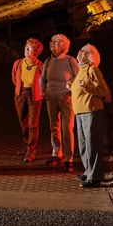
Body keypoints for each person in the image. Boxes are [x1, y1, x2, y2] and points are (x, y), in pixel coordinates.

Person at [71, 44, 111, 188]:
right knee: (83, 145)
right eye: (80, 50)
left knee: (92, 144)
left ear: (89, 55)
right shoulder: (80, 70)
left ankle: (95, 177)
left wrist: (87, 88)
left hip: (91, 111)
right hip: (80, 112)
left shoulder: (92, 69)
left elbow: (103, 91)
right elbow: (81, 87)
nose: (79, 52)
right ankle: (88, 171)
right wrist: (72, 86)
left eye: (83, 51)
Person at [39, 33, 79, 172]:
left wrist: (70, 91)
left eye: (55, 42)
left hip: (66, 98)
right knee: (54, 127)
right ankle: (57, 153)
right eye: (51, 42)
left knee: (67, 129)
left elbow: (78, 79)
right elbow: (42, 79)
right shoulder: (48, 61)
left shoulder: (70, 61)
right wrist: (43, 91)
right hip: (51, 98)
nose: (52, 44)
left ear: (63, 45)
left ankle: (69, 159)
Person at [10, 38, 44, 163]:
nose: (28, 51)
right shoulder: (18, 63)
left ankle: (32, 150)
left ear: (36, 52)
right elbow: (14, 77)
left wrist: (40, 92)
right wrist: (19, 88)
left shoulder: (40, 66)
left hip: (34, 96)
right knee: (23, 122)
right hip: (20, 94)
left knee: (33, 124)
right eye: (27, 48)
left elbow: (44, 81)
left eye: (31, 50)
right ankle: (27, 145)